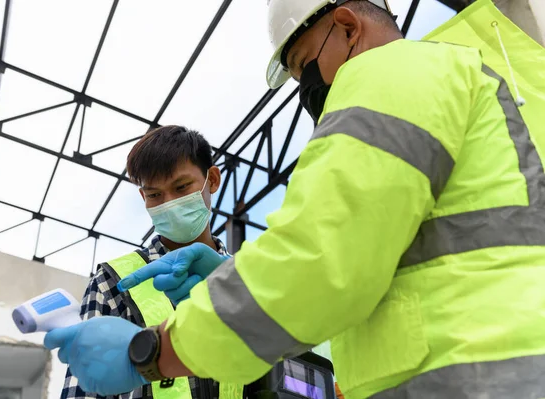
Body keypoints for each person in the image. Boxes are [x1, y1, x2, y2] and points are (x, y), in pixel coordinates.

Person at [45, 0, 545, 398]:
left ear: (349, 27)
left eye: (305, 64)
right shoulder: (463, 79)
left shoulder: (390, 72)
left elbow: (320, 259)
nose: (306, 89)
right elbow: (369, 264)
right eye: (153, 195)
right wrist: (228, 279)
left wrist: (152, 350)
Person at [59, 125, 242, 399]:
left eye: (181, 187)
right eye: (155, 194)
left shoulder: (247, 276)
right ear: (144, 197)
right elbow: (84, 389)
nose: (169, 203)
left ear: (212, 180)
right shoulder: (112, 280)